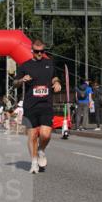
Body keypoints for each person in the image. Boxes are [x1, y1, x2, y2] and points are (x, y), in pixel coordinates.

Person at [13, 39, 62, 173]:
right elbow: (15, 83)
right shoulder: (25, 66)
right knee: (33, 135)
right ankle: (34, 163)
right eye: (37, 51)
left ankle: (41, 150)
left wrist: (57, 83)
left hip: (46, 104)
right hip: (31, 105)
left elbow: (55, 77)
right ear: (32, 51)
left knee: (45, 135)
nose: (39, 54)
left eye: (42, 51)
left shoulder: (49, 63)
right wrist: (22, 80)